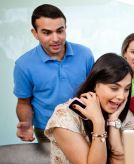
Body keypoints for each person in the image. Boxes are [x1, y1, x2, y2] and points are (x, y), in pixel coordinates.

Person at [44, 53, 134, 164]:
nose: (121, 96)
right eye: (114, 88)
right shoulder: (65, 116)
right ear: (95, 85)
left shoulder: (124, 117)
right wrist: (98, 122)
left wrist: (113, 122)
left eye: (127, 89)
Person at [13, 4, 94, 142]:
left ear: (65, 29)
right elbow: (23, 102)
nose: (55, 38)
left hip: (82, 124)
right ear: (35, 33)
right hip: (47, 129)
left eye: (60, 31)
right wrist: (26, 124)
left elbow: (94, 91)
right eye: (47, 32)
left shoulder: (85, 54)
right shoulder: (23, 64)